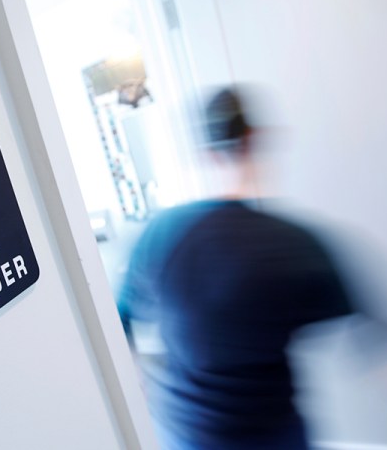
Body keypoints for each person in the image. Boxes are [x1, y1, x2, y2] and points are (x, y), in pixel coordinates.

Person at [118, 86, 354, 449]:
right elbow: (379, 336)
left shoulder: (163, 233)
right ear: (255, 139)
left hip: (187, 434)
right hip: (272, 435)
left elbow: (119, 319)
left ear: (207, 153)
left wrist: (136, 379)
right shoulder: (294, 242)